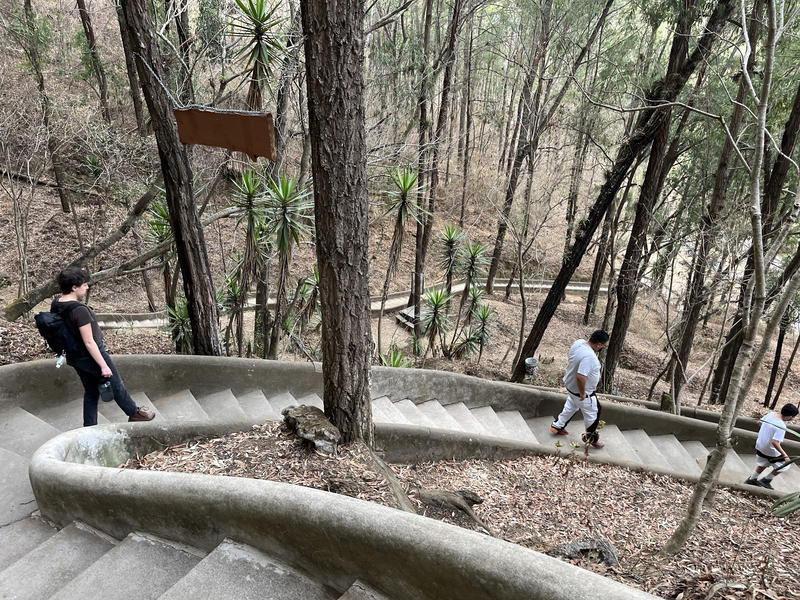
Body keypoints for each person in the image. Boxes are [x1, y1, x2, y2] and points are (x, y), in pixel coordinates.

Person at [52, 267, 155, 426]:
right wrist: (103, 365)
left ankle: (90, 426)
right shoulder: (79, 310)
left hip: (74, 356)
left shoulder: (56, 303)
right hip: (91, 355)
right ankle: (134, 413)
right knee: (116, 383)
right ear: (74, 287)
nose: (87, 287)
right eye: (84, 284)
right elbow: (89, 342)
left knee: (91, 391)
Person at [550, 330, 609, 449]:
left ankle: (557, 426)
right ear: (598, 344)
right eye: (603, 345)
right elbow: (581, 376)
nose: (603, 348)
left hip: (570, 386)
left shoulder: (579, 343)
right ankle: (590, 438)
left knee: (571, 405)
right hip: (583, 392)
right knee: (593, 413)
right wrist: (583, 394)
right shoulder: (590, 357)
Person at [744, 403, 798, 490]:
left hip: (760, 446)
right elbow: (775, 442)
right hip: (770, 451)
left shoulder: (771, 414)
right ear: (789, 416)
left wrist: (766, 432)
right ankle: (766, 480)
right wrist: (785, 455)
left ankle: (752, 479)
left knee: (763, 462)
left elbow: (759, 423)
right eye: (793, 417)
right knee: (785, 465)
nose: (792, 419)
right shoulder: (781, 426)